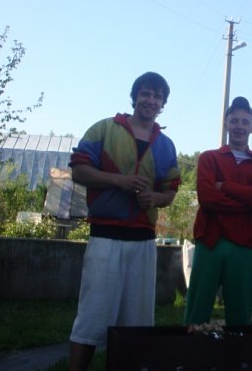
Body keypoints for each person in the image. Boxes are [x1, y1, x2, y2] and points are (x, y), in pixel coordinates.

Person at [68, 72, 181, 371]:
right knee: (91, 317)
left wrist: (155, 198)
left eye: (157, 96)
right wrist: (118, 181)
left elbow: (170, 191)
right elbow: (78, 171)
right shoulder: (104, 129)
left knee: (137, 323)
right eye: (145, 93)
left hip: (143, 242)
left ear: (163, 104)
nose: (151, 100)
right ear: (134, 97)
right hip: (105, 237)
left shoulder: (166, 145)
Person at [184, 96, 252, 326]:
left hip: (244, 244)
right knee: (198, 308)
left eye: (245, 122)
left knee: (240, 312)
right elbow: (208, 199)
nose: (239, 126)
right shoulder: (209, 158)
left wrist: (224, 186)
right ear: (226, 124)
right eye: (234, 121)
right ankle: (191, 347)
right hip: (210, 241)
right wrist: (250, 199)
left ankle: (238, 348)